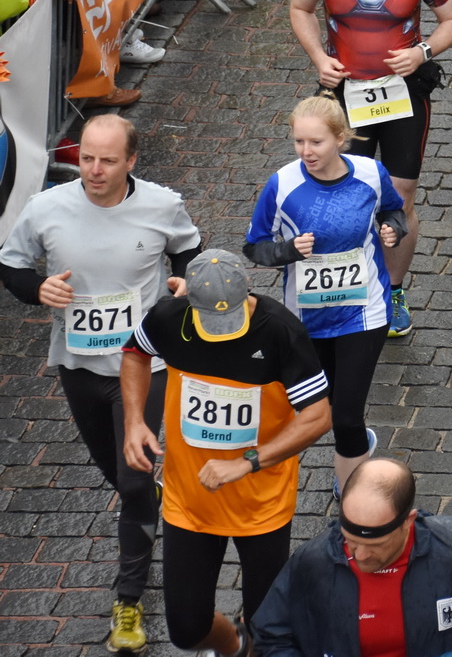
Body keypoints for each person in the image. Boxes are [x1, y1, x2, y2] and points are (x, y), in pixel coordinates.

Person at [0, 114, 201, 655]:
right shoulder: (47, 208)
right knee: (117, 471)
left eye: (108, 160)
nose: (94, 169)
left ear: (132, 161)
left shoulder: (161, 204)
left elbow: (189, 248)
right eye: (87, 157)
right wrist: (37, 289)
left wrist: (183, 277)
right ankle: (146, 501)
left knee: (133, 480)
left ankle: (128, 600)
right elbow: (11, 266)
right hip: (79, 365)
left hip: (145, 365)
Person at [121, 250, 333, 657]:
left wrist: (246, 463)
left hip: (262, 505)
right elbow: (135, 353)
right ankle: (232, 645)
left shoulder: (280, 331)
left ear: (246, 294)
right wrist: (134, 421)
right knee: (185, 629)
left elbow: (318, 417)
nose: (222, 330)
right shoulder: (168, 319)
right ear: (190, 303)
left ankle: (252, 645)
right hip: (192, 501)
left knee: (267, 626)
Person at [290, 0, 452, 338]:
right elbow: (300, 9)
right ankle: (348, 285)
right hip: (346, 95)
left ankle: (395, 290)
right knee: (342, 191)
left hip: (403, 94)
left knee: (401, 194)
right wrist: (318, 59)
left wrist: (422, 53)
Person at [243, 96, 405, 495]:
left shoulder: (370, 173)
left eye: (316, 142)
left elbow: (394, 210)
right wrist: (287, 251)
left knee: (346, 416)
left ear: (340, 139)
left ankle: (352, 496)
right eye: (299, 142)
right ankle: (356, 447)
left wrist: (392, 230)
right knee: (318, 408)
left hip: (363, 311)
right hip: (307, 319)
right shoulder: (283, 185)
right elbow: (254, 246)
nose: (305, 151)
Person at [251, 457, 452, 657]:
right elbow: (272, 629)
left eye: (377, 544)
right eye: (350, 541)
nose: (361, 555)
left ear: (409, 521)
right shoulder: (314, 561)